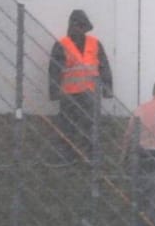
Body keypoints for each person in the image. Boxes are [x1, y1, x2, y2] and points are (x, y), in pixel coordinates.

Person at [47, 9, 113, 164]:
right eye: (77, 25)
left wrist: (107, 88)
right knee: (67, 127)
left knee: (91, 127)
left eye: (82, 26)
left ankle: (91, 157)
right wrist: (54, 92)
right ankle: (67, 156)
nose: (79, 29)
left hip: (90, 94)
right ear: (71, 26)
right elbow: (54, 70)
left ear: (86, 27)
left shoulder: (95, 44)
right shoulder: (61, 44)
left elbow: (104, 66)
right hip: (69, 95)